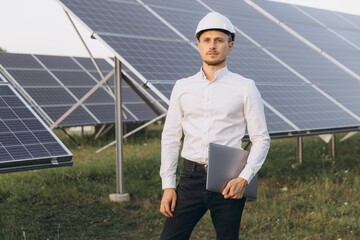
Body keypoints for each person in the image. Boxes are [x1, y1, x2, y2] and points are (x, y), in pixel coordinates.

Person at [159, 12, 270, 240]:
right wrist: (168, 185)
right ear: (198, 45)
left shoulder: (245, 87)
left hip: (229, 179)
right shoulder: (182, 87)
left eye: (219, 40)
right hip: (190, 179)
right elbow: (170, 137)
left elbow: (261, 138)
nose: (212, 46)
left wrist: (244, 179)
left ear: (230, 47)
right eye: (206, 40)